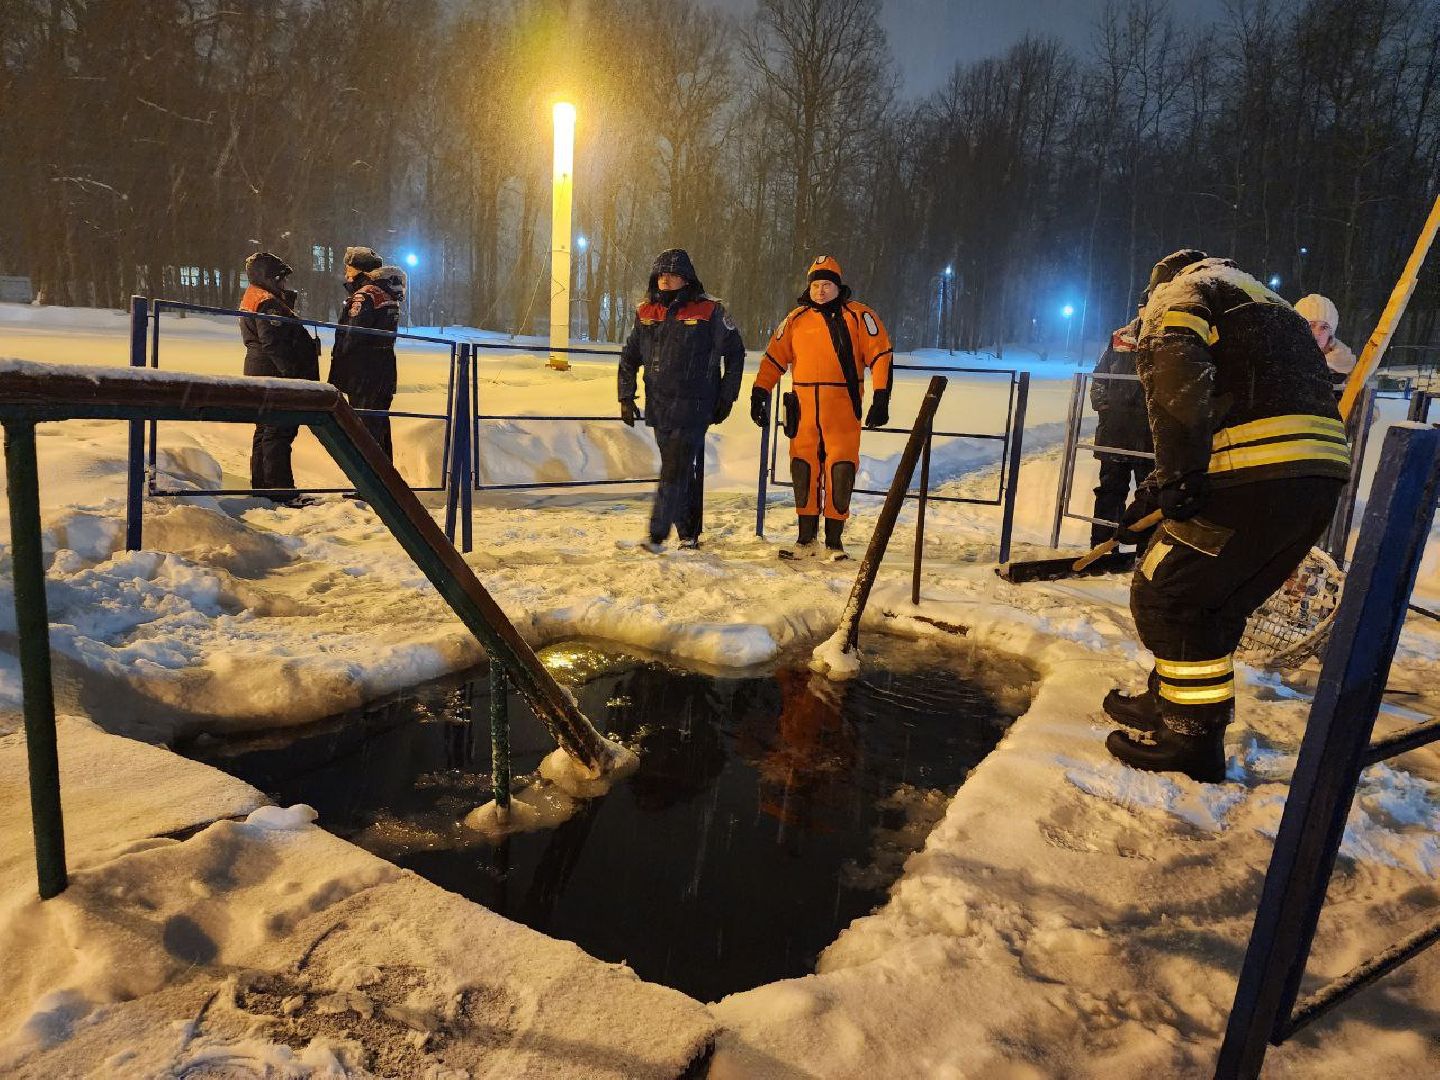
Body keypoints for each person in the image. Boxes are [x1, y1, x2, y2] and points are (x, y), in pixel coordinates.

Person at [1103, 249, 1351, 782]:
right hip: (1313, 479)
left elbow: (1179, 390)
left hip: (1255, 475)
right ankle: (1174, 707)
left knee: (1167, 591)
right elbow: (1232, 405)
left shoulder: (1182, 296)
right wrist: (1152, 497)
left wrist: (1177, 478)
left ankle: (1190, 741)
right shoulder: (1269, 305)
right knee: (1211, 602)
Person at [749, 255, 894, 561]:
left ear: (838, 286)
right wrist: (759, 391)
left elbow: (880, 354)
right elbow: (774, 358)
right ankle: (805, 539)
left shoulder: (858, 316)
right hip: (803, 410)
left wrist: (882, 396)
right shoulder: (795, 320)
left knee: (841, 470)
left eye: (827, 284)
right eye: (816, 285)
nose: (821, 291)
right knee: (803, 469)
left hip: (842, 409)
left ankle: (834, 542)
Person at [617, 248, 745, 552]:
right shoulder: (646, 312)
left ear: (686, 278)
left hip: (695, 405)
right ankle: (689, 534)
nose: (665, 279)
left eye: (672, 274)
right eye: (661, 274)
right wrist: (625, 394)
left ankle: (657, 535)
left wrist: (726, 397)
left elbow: (736, 353)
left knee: (674, 467)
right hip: (660, 406)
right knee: (680, 469)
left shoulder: (710, 311)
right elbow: (630, 356)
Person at [239, 251, 320, 504]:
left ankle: (263, 487)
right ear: (268, 278)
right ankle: (280, 490)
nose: (284, 284)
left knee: (265, 430)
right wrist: (292, 375)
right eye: (280, 279)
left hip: (261, 371)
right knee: (279, 432)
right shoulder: (268, 303)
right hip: (274, 374)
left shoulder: (256, 297)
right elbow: (273, 342)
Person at [328, 247, 404, 459]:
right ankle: (385, 481)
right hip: (383, 368)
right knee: (378, 424)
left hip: (363, 372)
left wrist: (340, 371)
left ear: (360, 271)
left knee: (363, 428)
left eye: (349, 269)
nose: (346, 274)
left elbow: (352, 336)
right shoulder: (386, 292)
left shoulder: (365, 295)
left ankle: (369, 484)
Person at [1088, 315, 1154, 546]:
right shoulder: (1119, 340)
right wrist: (1104, 407)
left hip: (1149, 437)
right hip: (1114, 433)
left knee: (1149, 495)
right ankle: (1103, 545)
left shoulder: (1167, 338)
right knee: (1109, 492)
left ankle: (1144, 550)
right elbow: (1099, 379)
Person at [1294, 293, 1356, 396]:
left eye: (1324, 327)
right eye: (1311, 325)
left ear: (1331, 333)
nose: (1317, 333)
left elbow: (1366, 408)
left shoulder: (1347, 370)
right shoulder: (1282, 364)